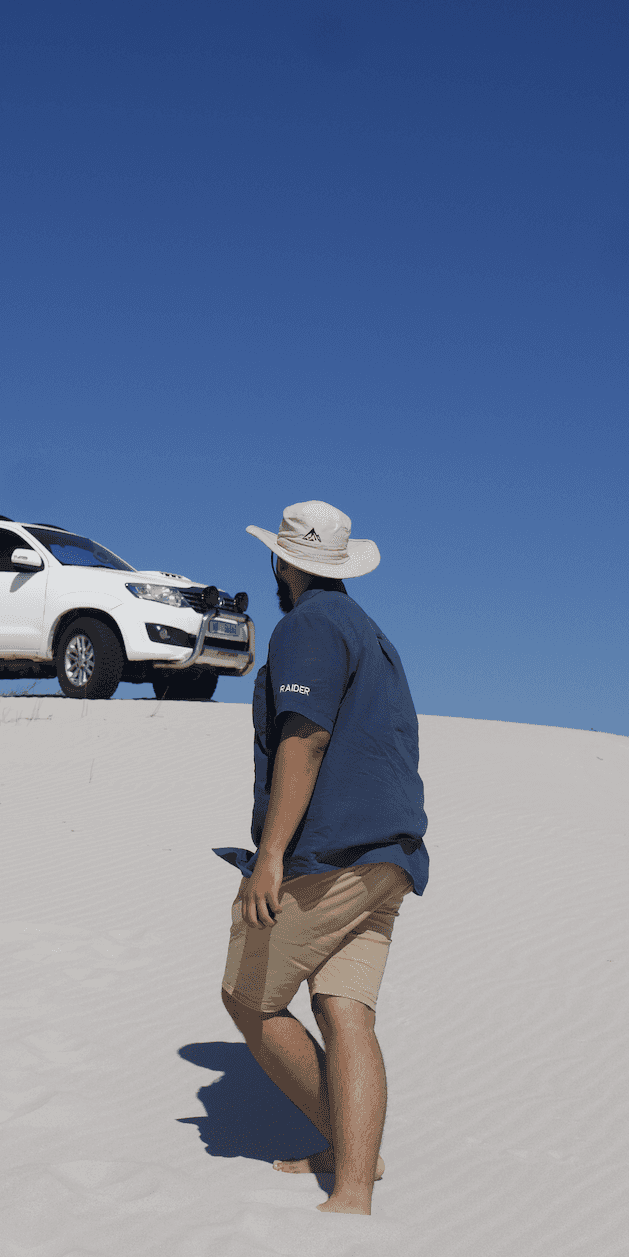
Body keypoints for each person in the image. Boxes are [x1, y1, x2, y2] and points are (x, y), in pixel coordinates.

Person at [214, 500, 429, 1216]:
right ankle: (354, 1185)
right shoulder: (372, 634)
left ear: (284, 561)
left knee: (247, 996)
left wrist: (270, 854)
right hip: (390, 856)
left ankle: (345, 1145)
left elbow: (304, 739)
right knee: (345, 1012)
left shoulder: (306, 626)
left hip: (331, 854)